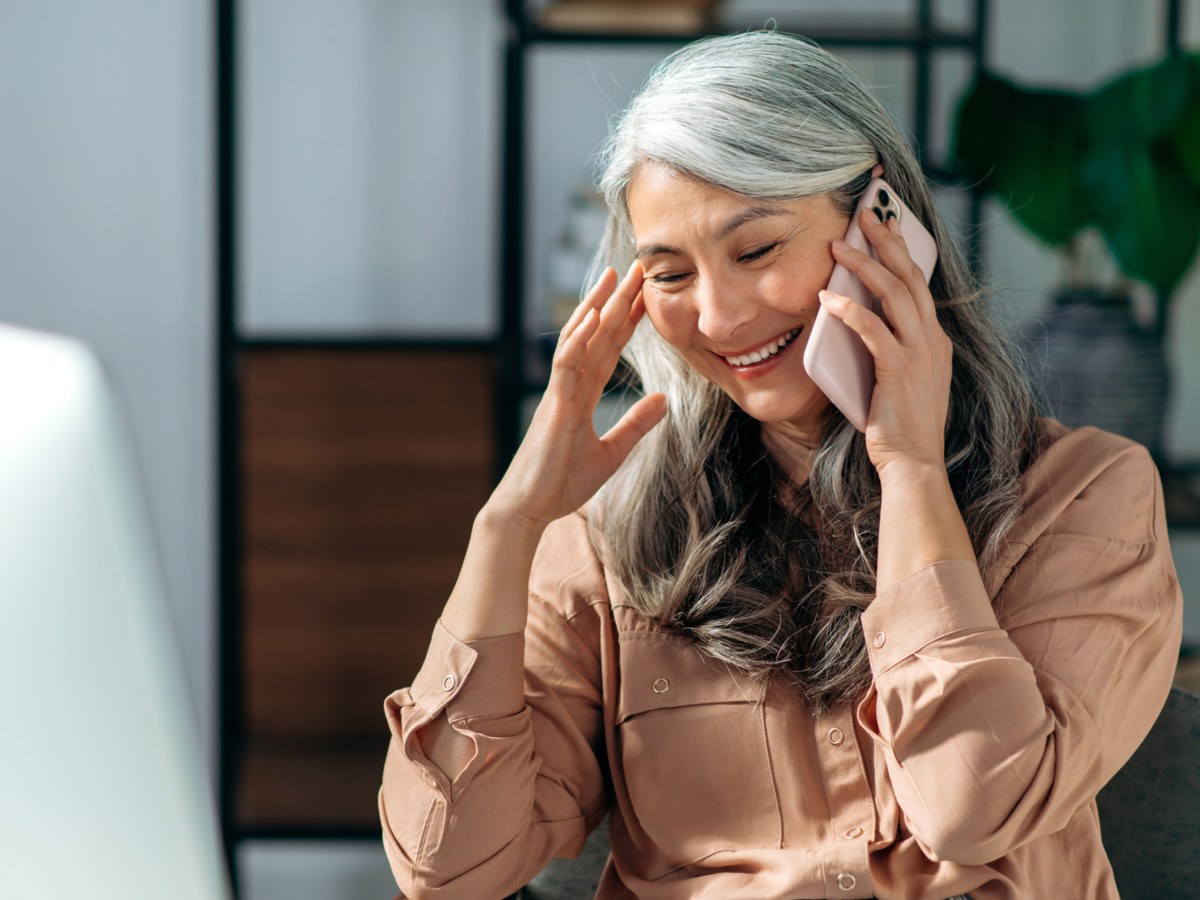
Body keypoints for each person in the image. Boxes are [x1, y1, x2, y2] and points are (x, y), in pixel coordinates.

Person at [378, 31, 1182, 900]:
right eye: (671, 274)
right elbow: (447, 869)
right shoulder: (610, 541)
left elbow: (973, 809)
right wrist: (508, 528)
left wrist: (909, 466)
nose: (718, 318)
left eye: (755, 250)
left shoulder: (1084, 497)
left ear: (882, 221)